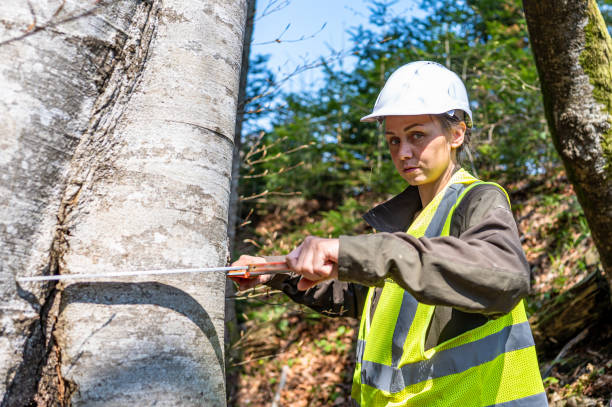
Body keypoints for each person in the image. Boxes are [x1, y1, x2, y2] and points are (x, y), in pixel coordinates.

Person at [231, 61, 546, 406]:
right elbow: (367, 299)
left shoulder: (478, 199)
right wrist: (274, 272)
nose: (403, 152)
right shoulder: (409, 219)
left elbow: (506, 277)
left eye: (417, 135)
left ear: (457, 134)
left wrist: (360, 252)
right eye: (393, 140)